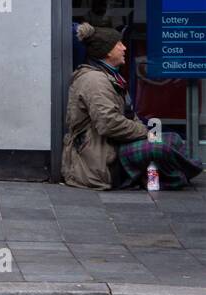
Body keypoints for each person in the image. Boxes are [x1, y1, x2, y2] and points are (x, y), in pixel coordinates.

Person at [63, 23, 202, 190]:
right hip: (101, 160)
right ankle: (176, 178)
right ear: (107, 52)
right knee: (158, 148)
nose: (124, 48)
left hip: (114, 146)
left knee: (173, 138)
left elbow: (128, 114)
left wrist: (145, 132)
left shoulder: (111, 76)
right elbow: (109, 124)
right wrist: (145, 133)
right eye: (119, 44)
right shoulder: (94, 81)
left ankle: (174, 175)